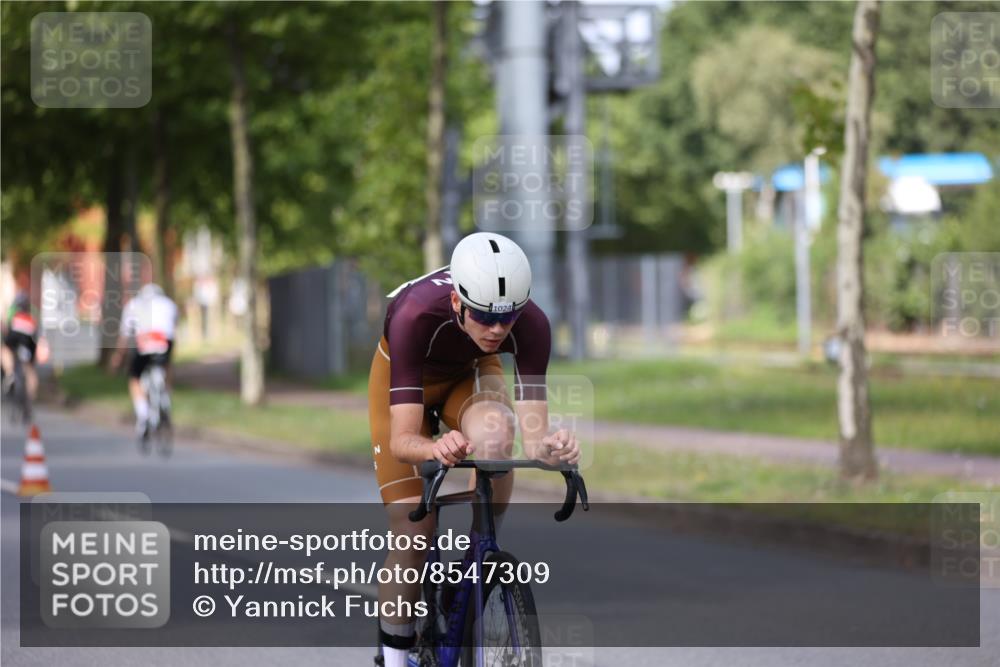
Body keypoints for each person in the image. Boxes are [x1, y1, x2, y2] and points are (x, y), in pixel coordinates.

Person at [368, 231, 580, 666]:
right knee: (415, 532)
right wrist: (433, 447)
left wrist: (551, 448)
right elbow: (403, 440)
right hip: (407, 379)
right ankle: (394, 657)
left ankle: (479, 556)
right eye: (484, 317)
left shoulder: (532, 324)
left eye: (508, 318)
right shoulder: (413, 315)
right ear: (458, 304)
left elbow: (534, 435)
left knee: (497, 435)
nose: (498, 330)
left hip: (467, 373)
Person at [112, 282, 179, 437]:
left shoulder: (133, 305)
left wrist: (118, 356)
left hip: (144, 342)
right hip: (164, 341)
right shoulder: (169, 304)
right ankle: (166, 397)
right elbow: (174, 328)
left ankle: (143, 413)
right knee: (166, 366)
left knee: (135, 377)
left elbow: (125, 335)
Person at [1, 291, 40, 403]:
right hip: (29, 343)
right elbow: (37, 332)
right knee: (29, 369)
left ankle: (9, 373)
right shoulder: (34, 312)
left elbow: (6, 329)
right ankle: (32, 394)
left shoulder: (12, 311)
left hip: (14, 340)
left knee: (4, 350)